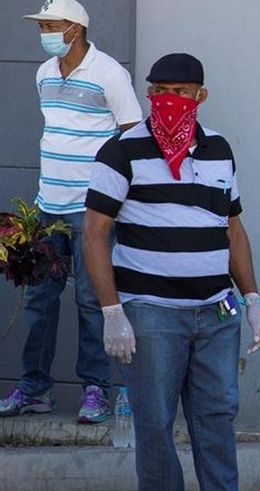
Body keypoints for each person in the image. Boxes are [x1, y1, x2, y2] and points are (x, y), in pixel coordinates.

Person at [82, 53, 260, 491]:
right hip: (151, 315)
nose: (169, 100)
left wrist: (253, 300)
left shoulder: (219, 149)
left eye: (181, 92)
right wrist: (112, 312)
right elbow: (94, 231)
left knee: (218, 418)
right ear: (148, 94)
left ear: (200, 96)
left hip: (216, 314)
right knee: (155, 423)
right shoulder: (122, 150)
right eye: (160, 91)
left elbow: (234, 229)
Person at [0, 0, 143, 423]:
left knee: (89, 298)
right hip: (48, 208)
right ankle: (34, 390)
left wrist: (113, 197)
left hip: (91, 212)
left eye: (50, 24)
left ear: (74, 29)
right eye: (41, 24)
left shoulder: (110, 74)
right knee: (41, 300)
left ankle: (96, 389)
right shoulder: (44, 73)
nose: (42, 31)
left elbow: (132, 134)